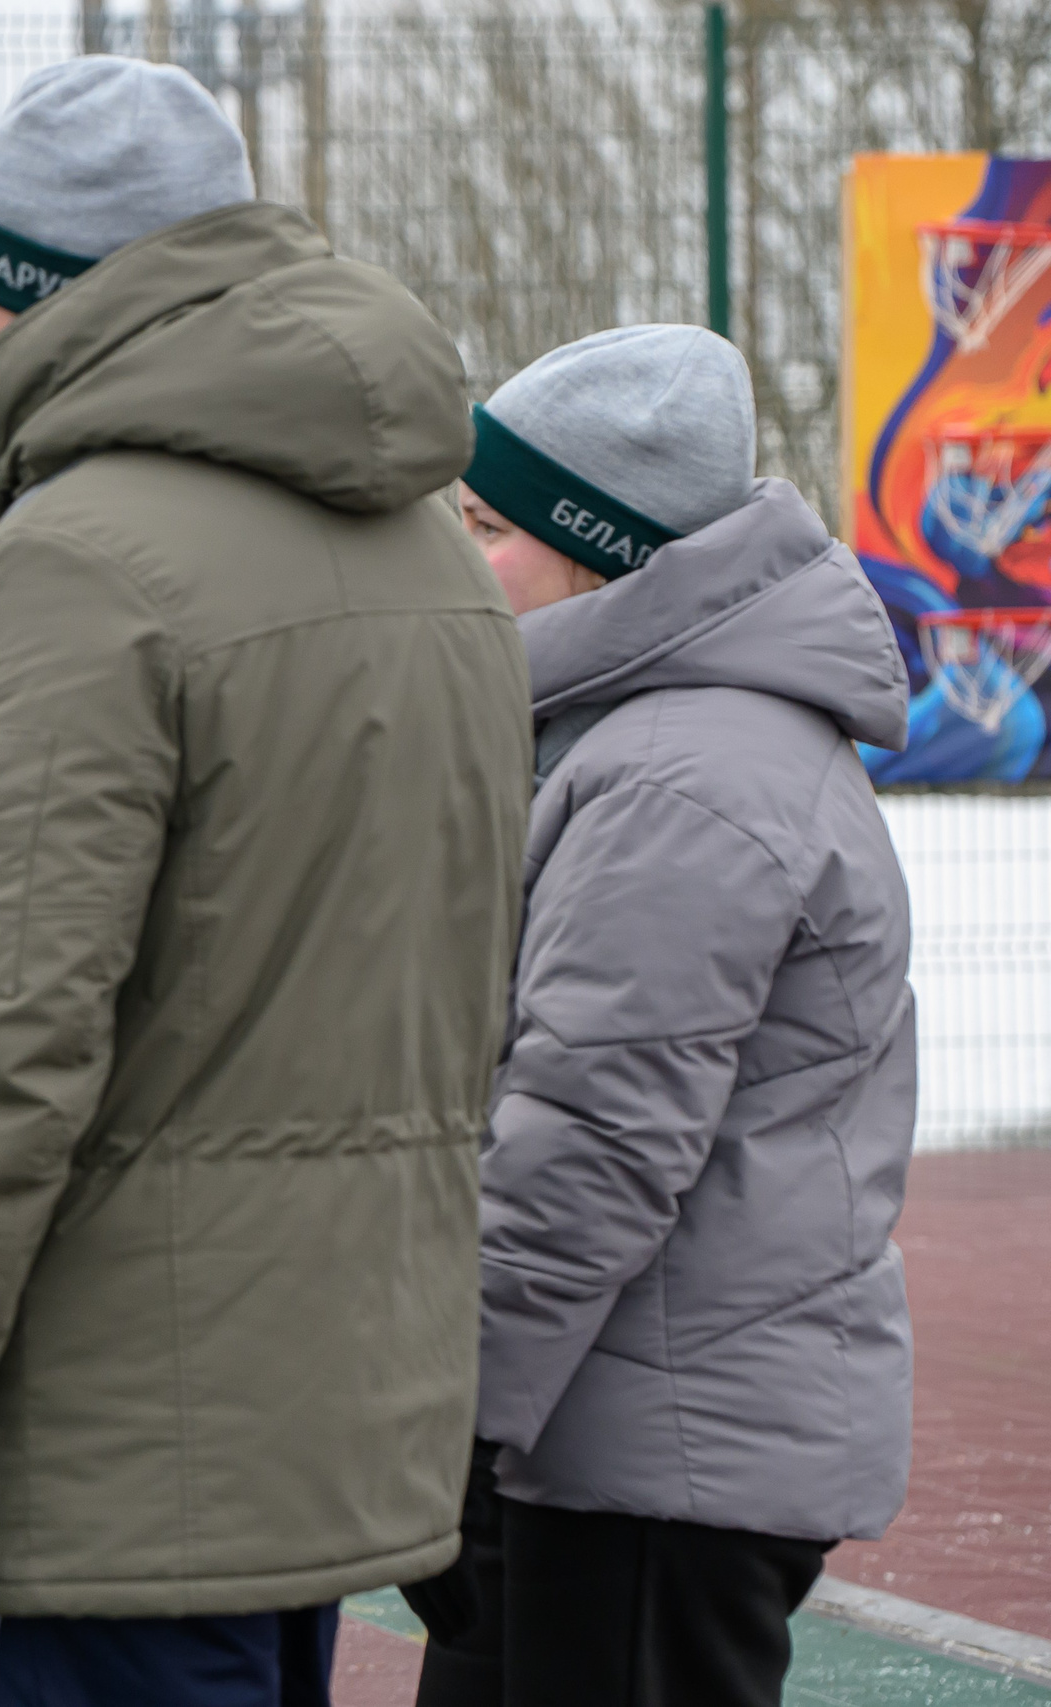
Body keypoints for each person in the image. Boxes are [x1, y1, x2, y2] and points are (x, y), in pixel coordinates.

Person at [0, 59, 536, 1707]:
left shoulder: (79, 570)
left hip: (108, 1451)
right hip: (326, 1422)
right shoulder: (429, 553)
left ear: (60, 300)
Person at [406, 326, 915, 1707]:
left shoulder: (679, 774)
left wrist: (444, 1426)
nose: (456, 556)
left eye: (488, 525)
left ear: (601, 547)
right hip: (616, 1428)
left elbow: (590, 1140)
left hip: (648, 1455)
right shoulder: (645, 738)